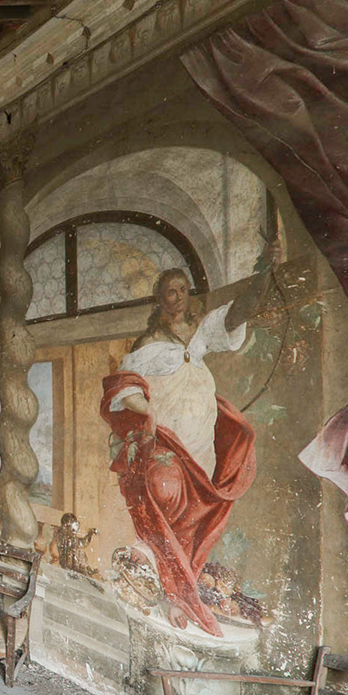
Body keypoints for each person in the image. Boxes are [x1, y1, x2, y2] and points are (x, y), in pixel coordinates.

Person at [100, 267, 269, 636]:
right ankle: (165, 582)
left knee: (193, 518)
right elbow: (123, 385)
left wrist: (265, 271)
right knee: (164, 493)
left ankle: (177, 597)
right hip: (167, 440)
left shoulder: (203, 332)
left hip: (201, 443)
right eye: (169, 291)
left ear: (189, 293)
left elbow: (239, 313)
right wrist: (146, 412)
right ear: (159, 299)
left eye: (182, 290)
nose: (176, 297)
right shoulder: (148, 342)